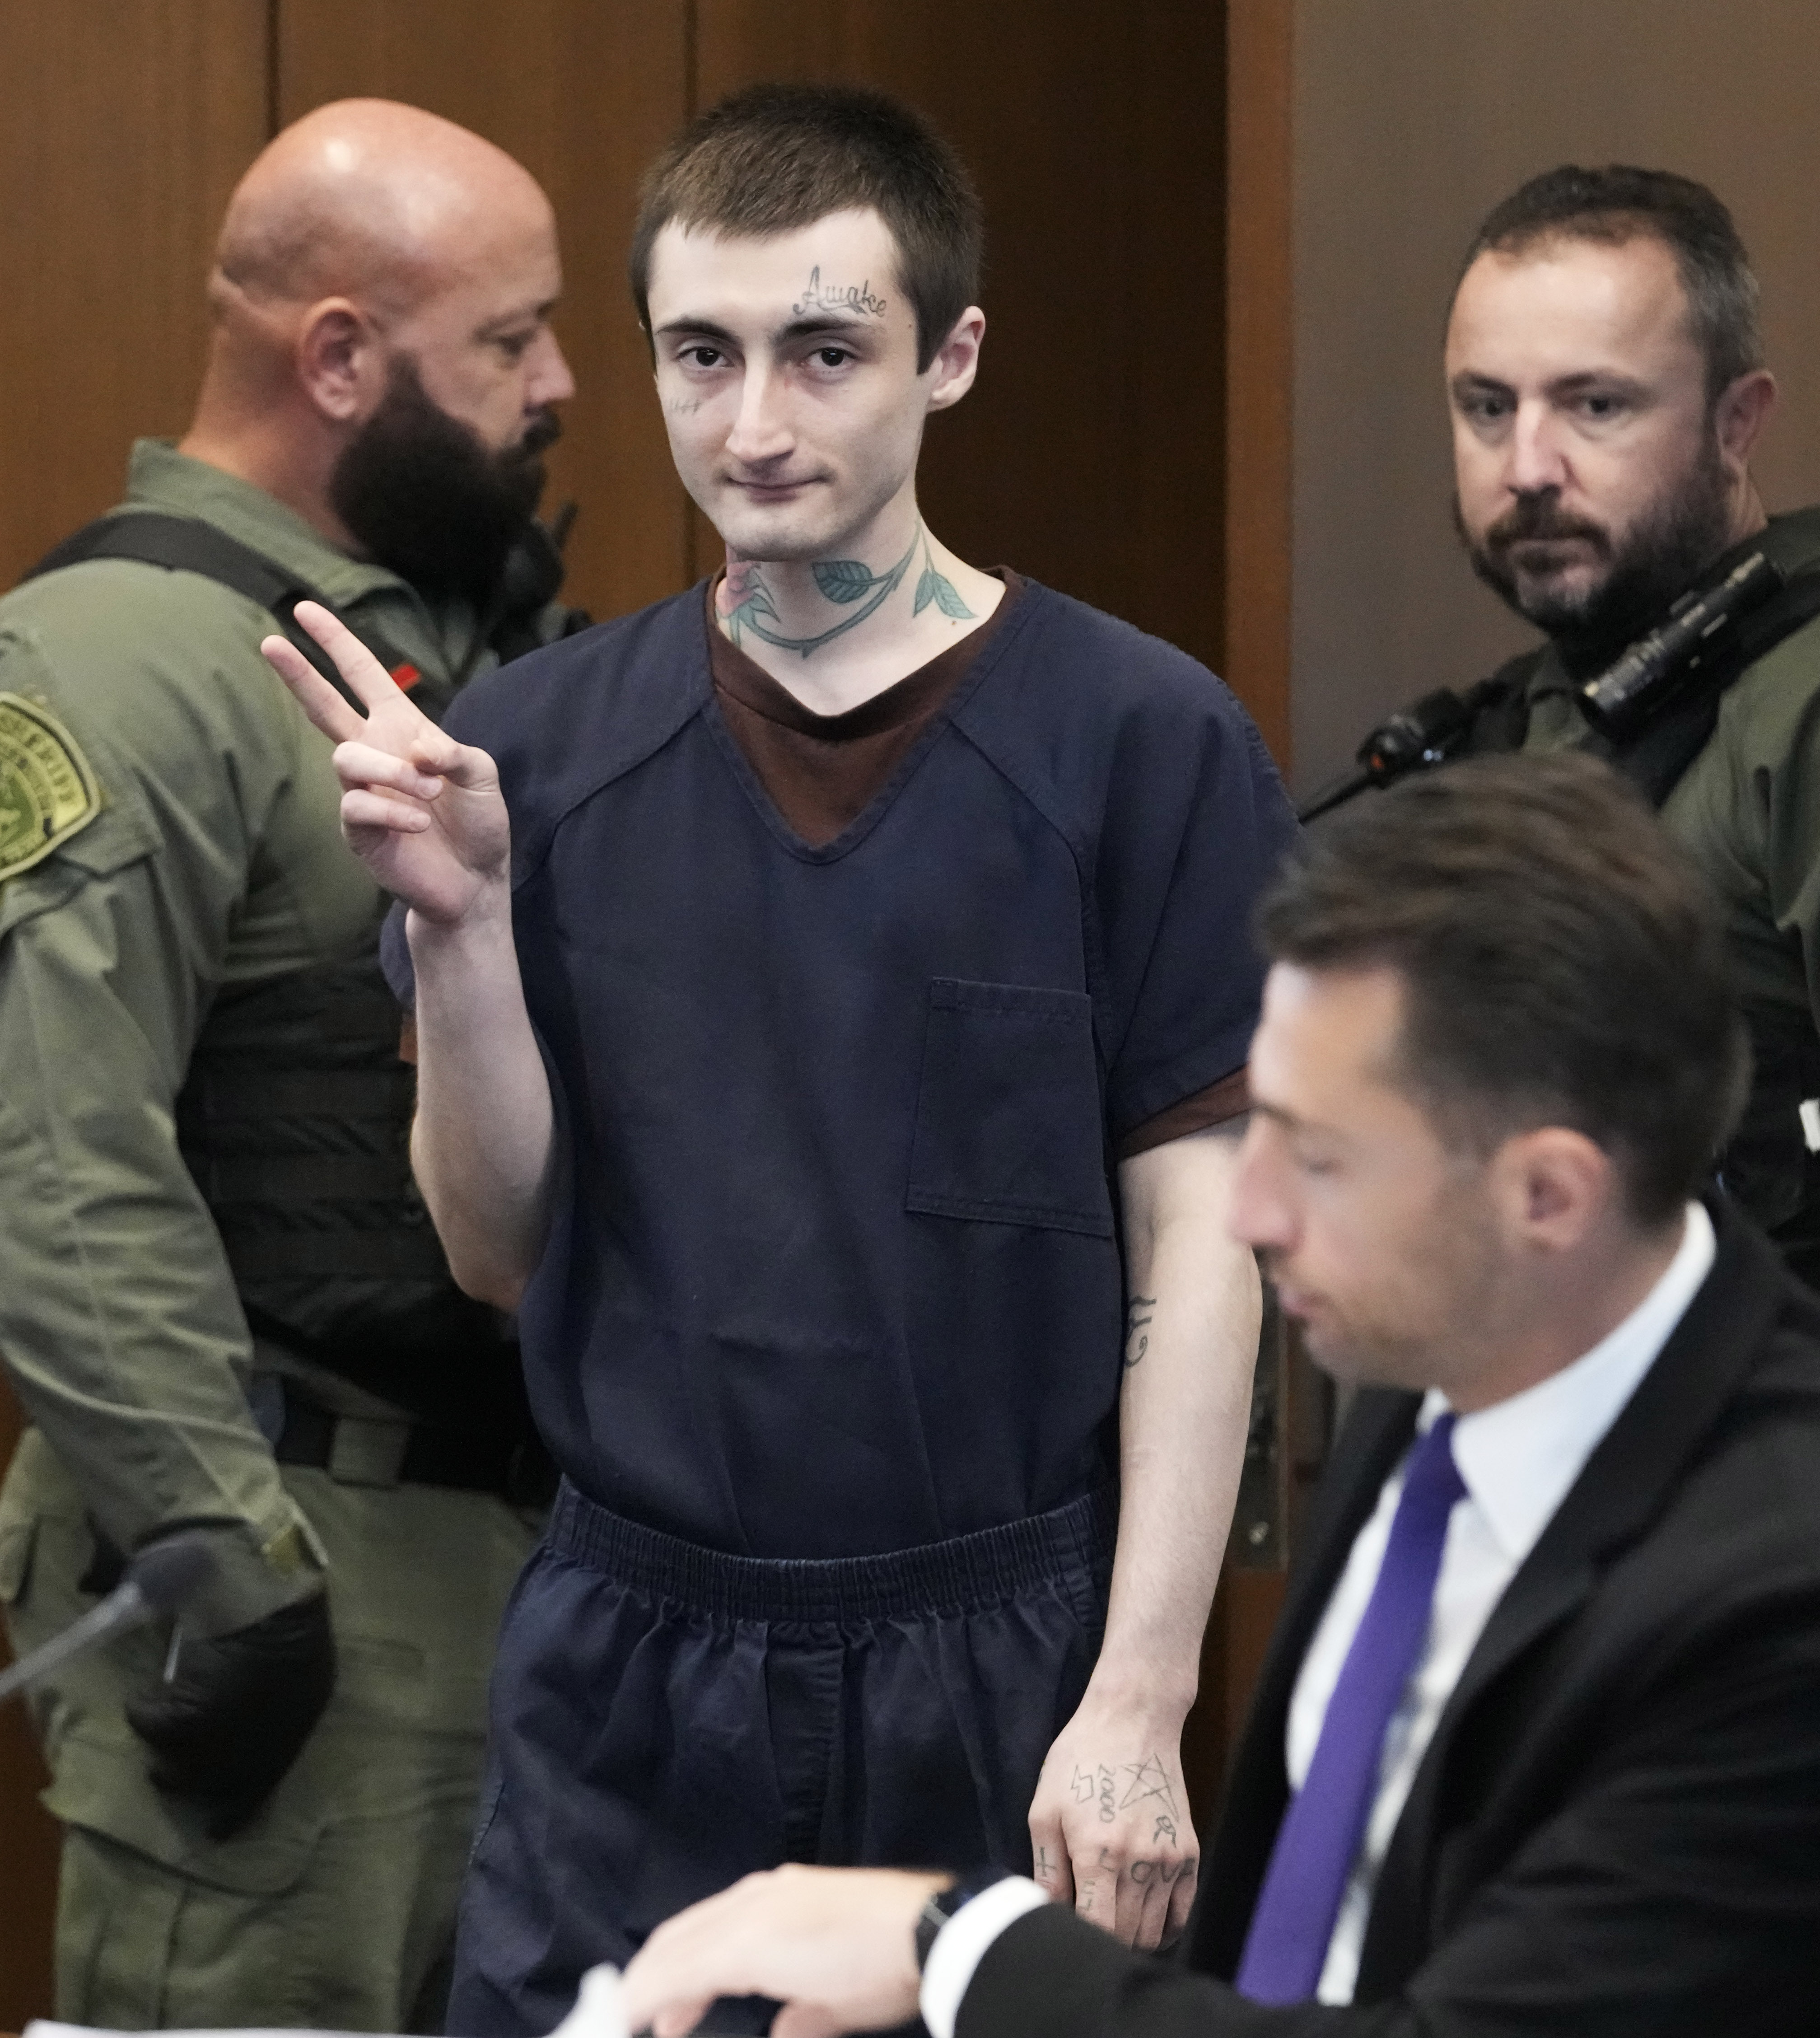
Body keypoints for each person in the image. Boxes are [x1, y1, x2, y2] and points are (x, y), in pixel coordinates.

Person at [266, 83, 1297, 2037]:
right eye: (702, 354)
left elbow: (1204, 1248)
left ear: (951, 356)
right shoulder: (538, 750)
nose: (756, 424)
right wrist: (466, 931)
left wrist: (1141, 1695)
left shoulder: (1138, 742)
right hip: (628, 1662)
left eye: (827, 352)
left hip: (1000, 1659)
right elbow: (493, 1253)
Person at [609, 752, 1820, 2038]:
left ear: (1548, 1195)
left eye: (1318, 1157)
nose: (1252, 1211)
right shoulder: (1446, 1362)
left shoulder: (1815, 1595)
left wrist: (953, 1945)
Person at [0, 99, 582, 2032]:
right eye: (510, 342)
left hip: (509, 1547)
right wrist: (227, 1559)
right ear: (342, 357)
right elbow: (47, 1166)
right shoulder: (119, 666)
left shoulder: (443, 630)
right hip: (302, 1547)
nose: (564, 384)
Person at [1349, 166, 1820, 1437]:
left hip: (1755, 1538)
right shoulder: (1527, 724)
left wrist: (1781, 1520)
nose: (1528, 465)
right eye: (1486, 408)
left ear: (1738, 421)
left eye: (1596, 405)